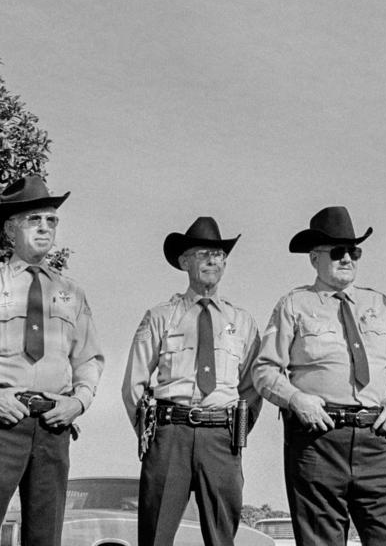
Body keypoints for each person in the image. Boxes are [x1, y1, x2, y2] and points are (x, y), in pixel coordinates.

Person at [0, 175, 104, 546]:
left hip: (54, 425)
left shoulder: (72, 292)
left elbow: (89, 358)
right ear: (11, 230)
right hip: (0, 421)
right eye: (34, 220)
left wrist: (79, 401)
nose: (45, 228)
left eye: (51, 221)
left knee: (45, 536)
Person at [253, 206, 386, 546]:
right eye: (338, 252)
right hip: (319, 440)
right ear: (315, 258)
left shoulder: (381, 305)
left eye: (354, 251)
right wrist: (296, 399)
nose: (348, 259)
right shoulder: (294, 305)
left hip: (377, 440)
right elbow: (264, 370)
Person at [122, 216, 263, 546]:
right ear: (185, 261)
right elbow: (135, 382)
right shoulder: (160, 316)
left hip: (221, 438)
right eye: (202, 253)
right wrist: (151, 435)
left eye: (218, 254)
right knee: (156, 536)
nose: (212, 260)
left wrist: (236, 428)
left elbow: (252, 386)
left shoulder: (241, 321)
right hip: (171, 434)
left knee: (221, 538)